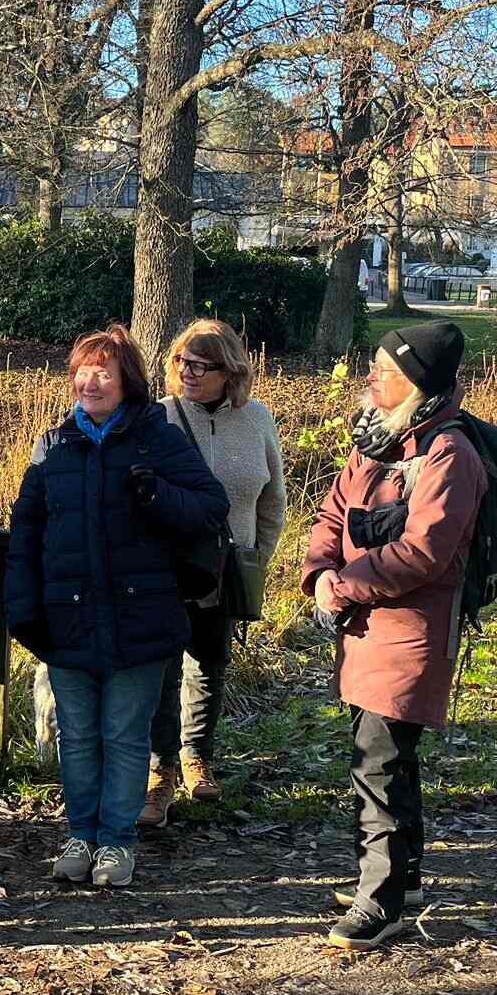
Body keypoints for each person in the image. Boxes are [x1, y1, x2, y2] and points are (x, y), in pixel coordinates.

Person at [5, 325, 229, 890]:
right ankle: (80, 834)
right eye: (82, 371)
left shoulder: (159, 438)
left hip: (141, 618)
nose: (90, 382)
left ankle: (117, 841)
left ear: (128, 380)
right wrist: (23, 608)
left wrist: (158, 495)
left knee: (125, 736)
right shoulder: (54, 445)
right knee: (78, 735)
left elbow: (211, 505)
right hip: (68, 617)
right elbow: (26, 531)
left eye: (103, 372)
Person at [302, 320, 486, 950]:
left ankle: (378, 903)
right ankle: (401, 882)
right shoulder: (376, 439)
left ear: (418, 383)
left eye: (385, 370)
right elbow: (332, 513)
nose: (371, 378)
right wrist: (319, 575)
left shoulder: (450, 453)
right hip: (363, 627)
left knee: (378, 763)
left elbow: (424, 552)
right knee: (388, 758)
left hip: (410, 631)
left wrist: (344, 585)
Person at [139, 319, 286, 827]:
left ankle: (197, 756)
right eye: (181, 361)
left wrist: (257, 558)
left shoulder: (258, 419)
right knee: (162, 668)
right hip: (166, 567)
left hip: (228, 566)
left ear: (231, 372)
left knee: (209, 663)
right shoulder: (158, 417)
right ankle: (160, 770)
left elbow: (272, 500)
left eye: (201, 365)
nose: (188, 372)